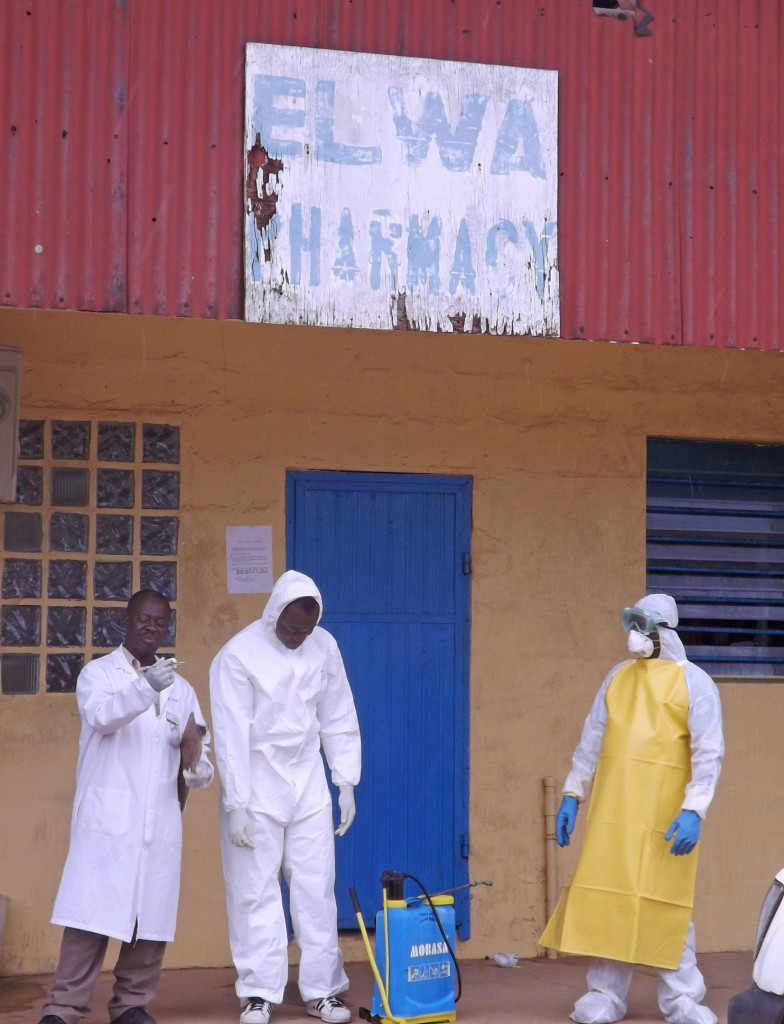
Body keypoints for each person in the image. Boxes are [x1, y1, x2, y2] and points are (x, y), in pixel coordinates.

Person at [539, 594, 723, 1024]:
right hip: (614, 814)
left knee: (667, 902)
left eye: (645, 628)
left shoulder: (695, 683)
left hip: (665, 817)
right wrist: (572, 793)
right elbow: (591, 740)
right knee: (612, 901)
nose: (636, 637)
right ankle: (604, 994)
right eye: (633, 627)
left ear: (665, 632)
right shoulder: (617, 678)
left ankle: (681, 997)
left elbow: (708, 753)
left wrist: (695, 809)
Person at [38, 589, 214, 1024]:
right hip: (108, 820)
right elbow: (103, 716)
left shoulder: (183, 689)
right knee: (89, 917)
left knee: (147, 922)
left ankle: (131, 1005)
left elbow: (201, 758)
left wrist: (196, 767)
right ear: (126, 620)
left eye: (160, 621)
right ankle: (64, 1007)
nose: (152, 627)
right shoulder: (98, 675)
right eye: (144, 619)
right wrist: (144, 688)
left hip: (159, 822)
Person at [209, 570, 362, 1024]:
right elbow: (232, 731)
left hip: (308, 778)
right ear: (274, 613)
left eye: (307, 628)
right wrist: (236, 803)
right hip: (255, 783)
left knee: (316, 886)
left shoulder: (325, 646)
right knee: (254, 890)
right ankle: (258, 992)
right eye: (292, 627)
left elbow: (338, 713)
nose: (299, 636)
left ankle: (322, 990)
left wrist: (346, 781)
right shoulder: (238, 654)